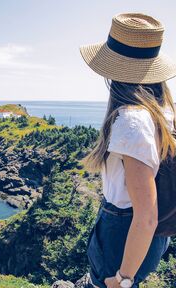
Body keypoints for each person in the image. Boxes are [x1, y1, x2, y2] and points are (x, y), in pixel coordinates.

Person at [78, 13, 176, 288]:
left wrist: (122, 278)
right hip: (149, 236)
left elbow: (145, 217)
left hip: (124, 232)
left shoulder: (131, 121)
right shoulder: (164, 112)